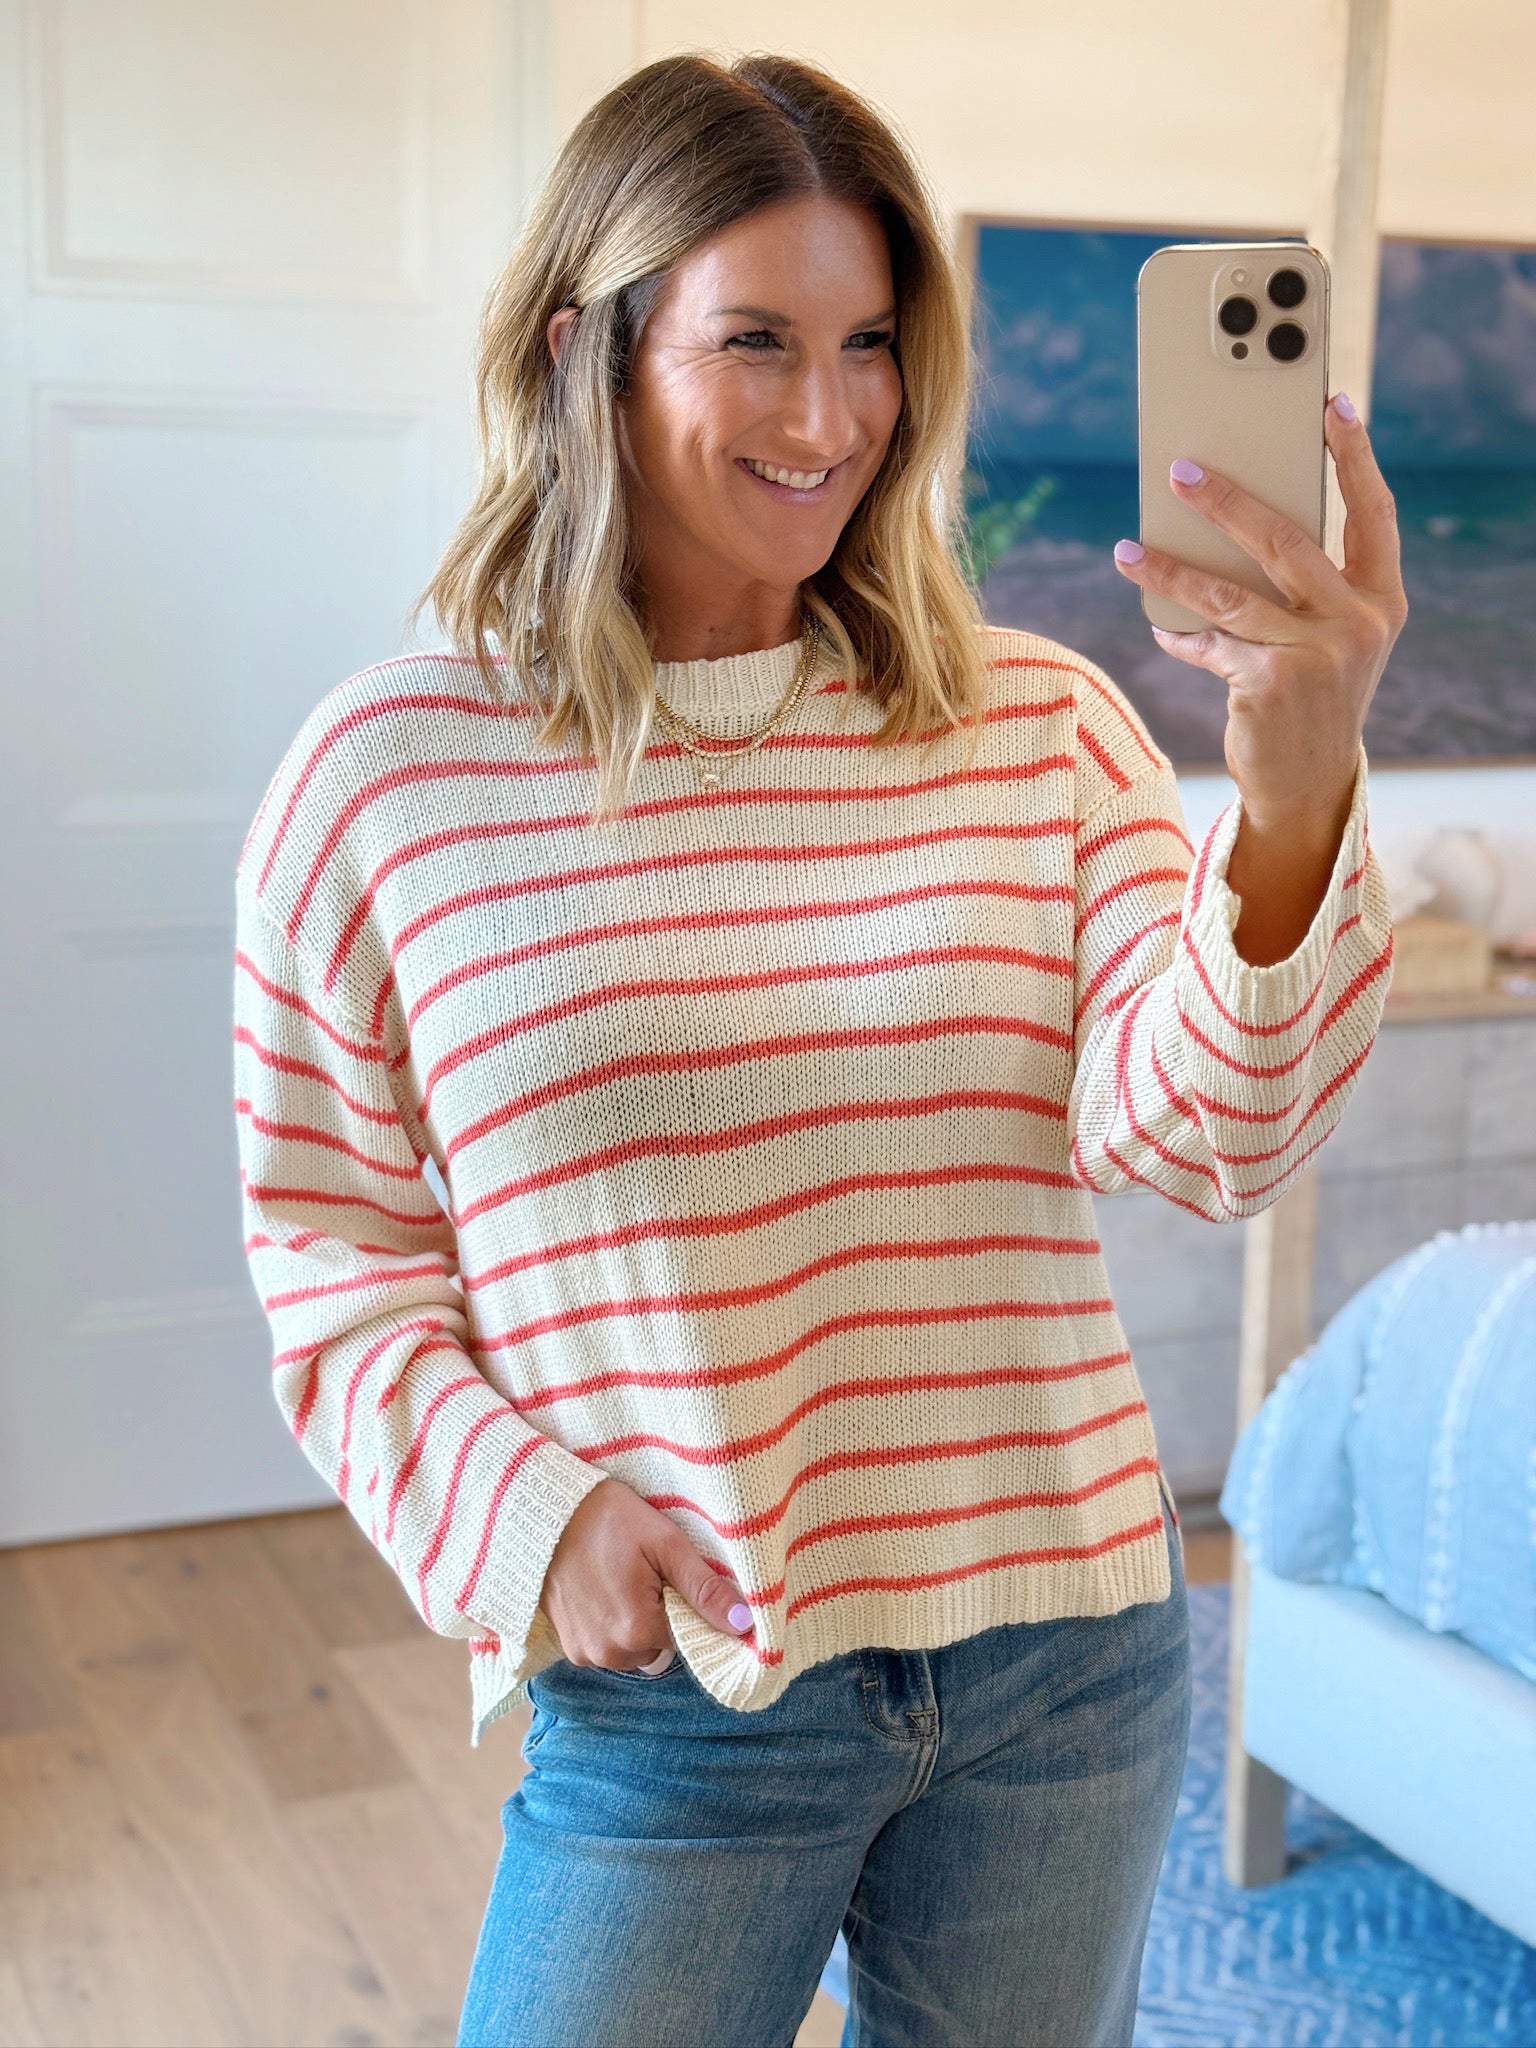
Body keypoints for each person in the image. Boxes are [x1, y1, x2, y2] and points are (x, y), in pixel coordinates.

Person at [231, 49, 1405, 2048]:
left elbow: (1203, 1135)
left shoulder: (1036, 729)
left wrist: (1294, 803)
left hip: (1067, 1658)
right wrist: (530, 1520)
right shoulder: (386, 779)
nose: (827, 416)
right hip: (687, 1686)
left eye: (869, 346)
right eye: (756, 340)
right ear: (585, 351)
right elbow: (332, 1257)